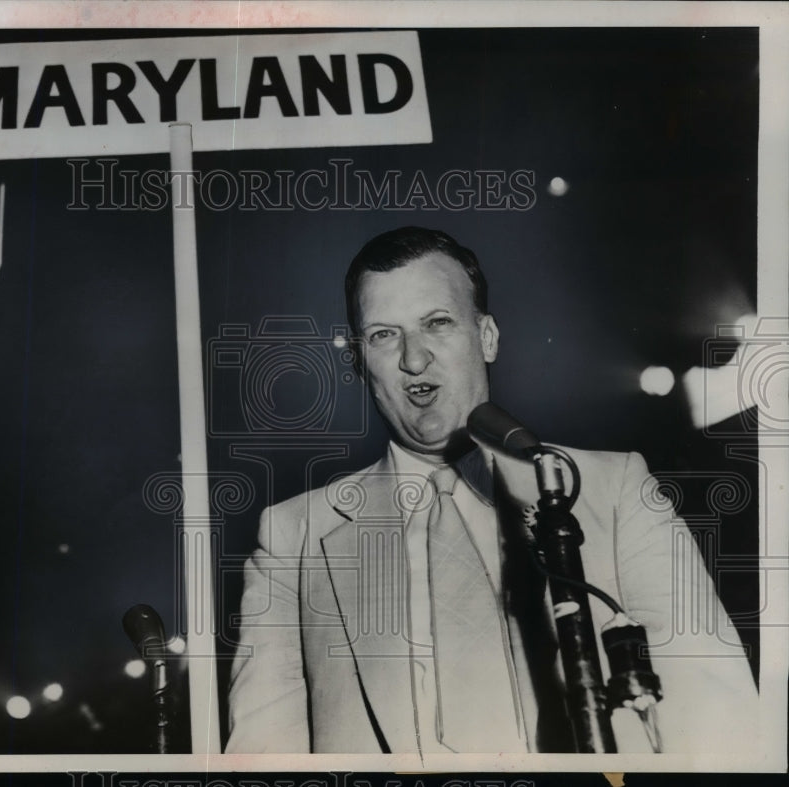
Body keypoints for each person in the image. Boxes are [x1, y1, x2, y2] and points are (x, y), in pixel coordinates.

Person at [226, 226, 758, 755]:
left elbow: (718, 713)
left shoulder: (614, 491)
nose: (414, 359)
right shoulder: (294, 536)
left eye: (437, 322)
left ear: (487, 337)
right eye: (384, 334)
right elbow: (261, 755)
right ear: (358, 361)